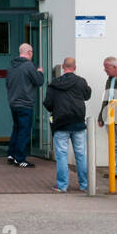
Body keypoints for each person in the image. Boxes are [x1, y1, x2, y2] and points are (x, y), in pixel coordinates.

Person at [43, 57, 91, 192]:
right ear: (74, 67)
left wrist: (56, 109)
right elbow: (87, 96)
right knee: (81, 154)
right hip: (78, 122)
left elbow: (48, 103)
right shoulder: (81, 82)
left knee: (61, 155)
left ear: (63, 67)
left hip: (61, 123)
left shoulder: (55, 83)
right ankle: (85, 185)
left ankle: (62, 185)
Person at [5, 42, 43, 167]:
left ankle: (11, 154)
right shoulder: (28, 65)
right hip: (25, 104)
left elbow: (8, 84)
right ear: (29, 52)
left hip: (13, 103)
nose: (32, 54)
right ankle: (20, 158)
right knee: (24, 131)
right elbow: (38, 81)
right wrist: (40, 72)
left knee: (16, 128)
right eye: (31, 52)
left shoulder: (11, 67)